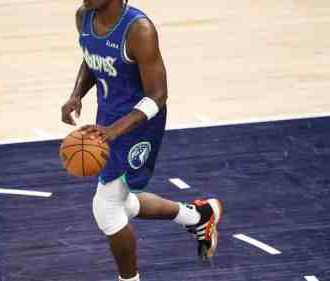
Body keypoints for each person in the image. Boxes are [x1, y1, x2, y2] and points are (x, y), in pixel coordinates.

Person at [61, 1, 223, 280]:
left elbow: (158, 95)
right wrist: (77, 94)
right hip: (108, 119)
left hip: (141, 122)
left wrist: (116, 130)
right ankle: (199, 215)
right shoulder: (83, 16)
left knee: (106, 208)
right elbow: (93, 58)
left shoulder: (139, 30)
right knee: (120, 202)